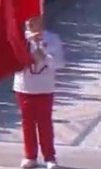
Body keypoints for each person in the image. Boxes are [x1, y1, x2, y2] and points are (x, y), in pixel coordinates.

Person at [13, 16, 65, 169]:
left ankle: (50, 157)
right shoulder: (19, 38)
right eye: (28, 20)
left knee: (45, 123)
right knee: (27, 123)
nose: (30, 23)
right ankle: (30, 156)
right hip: (24, 85)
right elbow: (12, 60)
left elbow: (59, 63)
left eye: (34, 20)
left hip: (44, 86)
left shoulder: (52, 38)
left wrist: (44, 56)